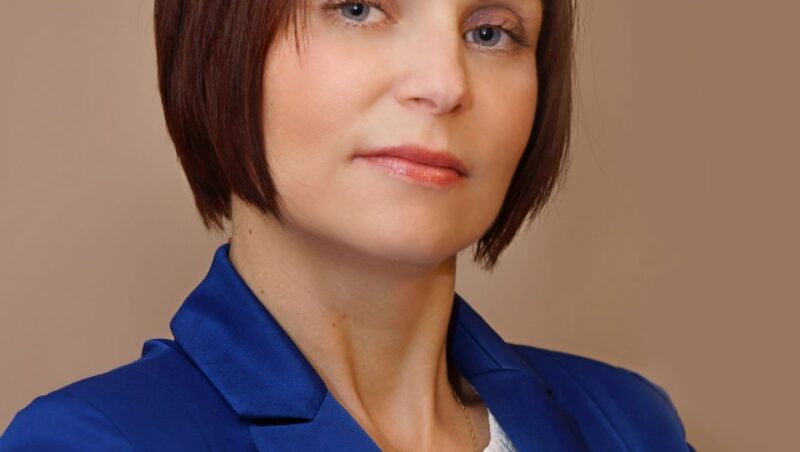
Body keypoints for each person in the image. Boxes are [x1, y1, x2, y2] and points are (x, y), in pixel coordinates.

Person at [1, 1, 695, 451]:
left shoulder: (630, 427)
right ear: (218, 39)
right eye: (359, 7)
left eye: (490, 32)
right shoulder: (95, 441)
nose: (444, 84)